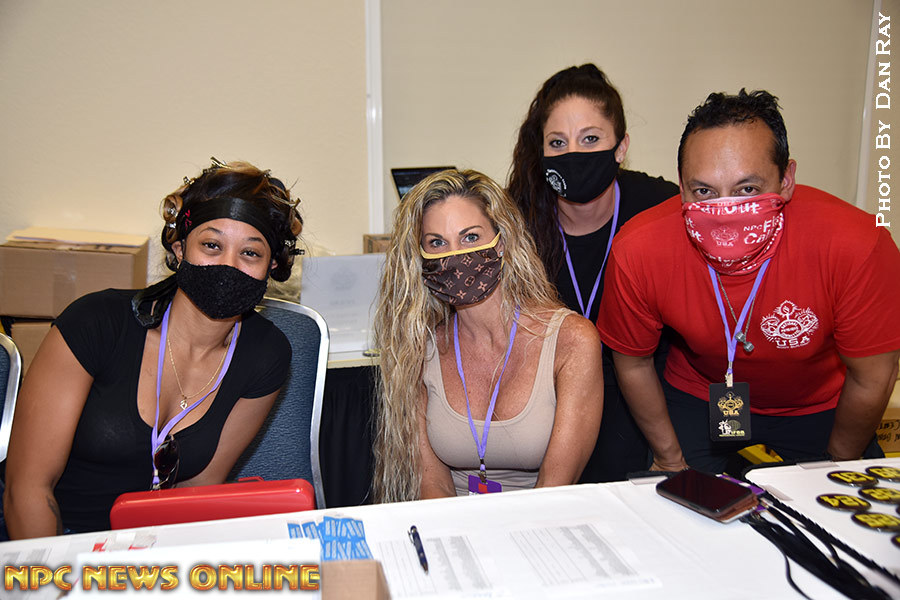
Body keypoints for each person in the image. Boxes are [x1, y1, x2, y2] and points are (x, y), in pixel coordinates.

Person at [597, 90, 900, 473]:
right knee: (676, 500)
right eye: (704, 191)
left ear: (786, 180)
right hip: (701, 394)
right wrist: (669, 459)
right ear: (681, 187)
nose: (725, 211)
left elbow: (873, 377)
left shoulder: (858, 245)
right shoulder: (638, 250)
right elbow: (633, 363)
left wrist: (837, 466)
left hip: (820, 405)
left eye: (748, 190)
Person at [3, 158, 304, 538]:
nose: (228, 266)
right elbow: (27, 489)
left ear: (271, 266)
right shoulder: (96, 322)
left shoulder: (266, 353)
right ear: (179, 249)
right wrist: (57, 572)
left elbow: (198, 492)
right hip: (55, 541)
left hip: (150, 549)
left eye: (250, 253)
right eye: (211, 245)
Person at [372, 169, 603, 502]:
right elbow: (433, 486)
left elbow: (554, 489)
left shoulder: (571, 341)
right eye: (437, 242)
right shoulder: (419, 347)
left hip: (540, 519)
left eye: (470, 237)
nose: (454, 255)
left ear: (502, 241)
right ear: (420, 258)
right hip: (452, 522)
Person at [507, 64, 678, 482]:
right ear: (541, 152)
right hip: (550, 403)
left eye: (590, 139)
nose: (574, 154)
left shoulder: (660, 208)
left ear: (621, 147)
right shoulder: (517, 219)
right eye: (557, 142)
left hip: (650, 401)